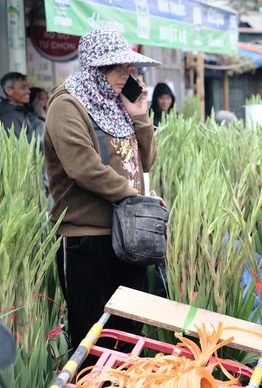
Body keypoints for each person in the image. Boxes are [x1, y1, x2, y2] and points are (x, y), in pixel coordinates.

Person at [43, 28, 162, 358]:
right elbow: (84, 169)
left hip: (128, 236)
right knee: (93, 334)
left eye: (128, 66)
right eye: (116, 67)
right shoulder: (67, 106)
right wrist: (137, 199)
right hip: (88, 238)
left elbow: (145, 162)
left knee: (129, 332)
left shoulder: (117, 105)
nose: (126, 75)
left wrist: (140, 117)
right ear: (94, 68)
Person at [0, 72, 34, 140]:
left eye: (28, 87)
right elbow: (14, 148)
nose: (28, 91)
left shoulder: (18, 112)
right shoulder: (9, 117)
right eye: (23, 88)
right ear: (9, 91)